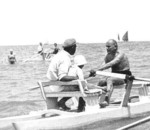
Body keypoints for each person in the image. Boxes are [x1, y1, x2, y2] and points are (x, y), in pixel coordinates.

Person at [46, 38, 86, 112]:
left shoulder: (59, 55)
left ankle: (61, 104)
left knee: (77, 83)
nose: (75, 49)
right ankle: (81, 109)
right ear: (73, 47)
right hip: (57, 86)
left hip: (51, 85)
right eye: (75, 47)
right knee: (81, 86)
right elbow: (62, 77)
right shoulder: (65, 58)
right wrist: (76, 78)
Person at [93, 39, 132, 107]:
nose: (107, 48)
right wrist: (94, 72)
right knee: (101, 81)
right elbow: (103, 65)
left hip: (125, 76)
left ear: (115, 46)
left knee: (110, 80)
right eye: (106, 47)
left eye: (108, 46)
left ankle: (106, 100)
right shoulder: (108, 56)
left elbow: (111, 63)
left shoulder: (121, 54)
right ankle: (95, 99)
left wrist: (97, 69)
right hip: (115, 75)